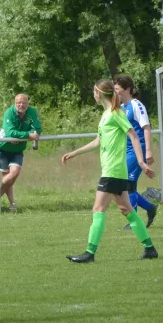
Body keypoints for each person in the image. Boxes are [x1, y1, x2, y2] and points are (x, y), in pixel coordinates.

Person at [62, 79, 158, 263]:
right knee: (127, 210)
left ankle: (89, 253)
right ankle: (150, 249)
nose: (93, 94)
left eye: (93, 91)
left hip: (113, 171)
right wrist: (74, 153)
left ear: (99, 93)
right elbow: (98, 141)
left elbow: (134, 136)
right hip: (114, 171)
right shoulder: (107, 114)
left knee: (98, 208)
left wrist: (142, 162)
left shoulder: (116, 113)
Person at [115, 75, 157, 229]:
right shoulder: (121, 107)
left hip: (138, 149)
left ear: (126, 89)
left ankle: (133, 222)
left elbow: (146, 127)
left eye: (117, 89)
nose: (116, 91)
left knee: (126, 185)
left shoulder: (136, 105)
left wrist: (148, 151)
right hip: (127, 150)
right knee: (126, 185)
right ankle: (150, 208)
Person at [0, 94, 42, 211]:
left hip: (18, 150)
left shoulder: (32, 112)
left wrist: (29, 134)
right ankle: (12, 204)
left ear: (28, 103)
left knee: (14, 174)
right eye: (18, 102)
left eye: (24, 102)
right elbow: (10, 132)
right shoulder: (9, 113)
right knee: (8, 178)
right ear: (14, 103)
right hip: (2, 148)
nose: (21, 105)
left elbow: (37, 128)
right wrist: (27, 135)